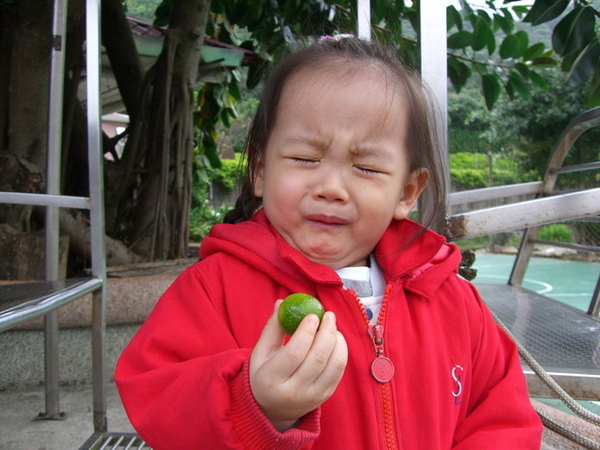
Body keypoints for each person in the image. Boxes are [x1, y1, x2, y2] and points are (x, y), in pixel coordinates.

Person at [115, 36, 543, 449]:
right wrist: (256, 405)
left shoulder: (452, 299)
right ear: (260, 171)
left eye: (368, 167)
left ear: (407, 193)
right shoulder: (212, 289)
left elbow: (503, 417)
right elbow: (157, 399)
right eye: (305, 159)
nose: (331, 187)